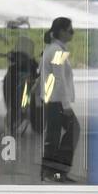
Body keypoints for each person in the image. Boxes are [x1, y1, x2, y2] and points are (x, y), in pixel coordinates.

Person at [39, 16, 78, 183]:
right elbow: (59, 78)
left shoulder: (52, 48)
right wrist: (66, 105)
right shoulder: (57, 51)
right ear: (62, 32)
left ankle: (53, 172)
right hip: (56, 101)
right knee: (70, 131)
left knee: (54, 136)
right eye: (70, 30)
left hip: (52, 100)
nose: (73, 33)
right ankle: (55, 172)